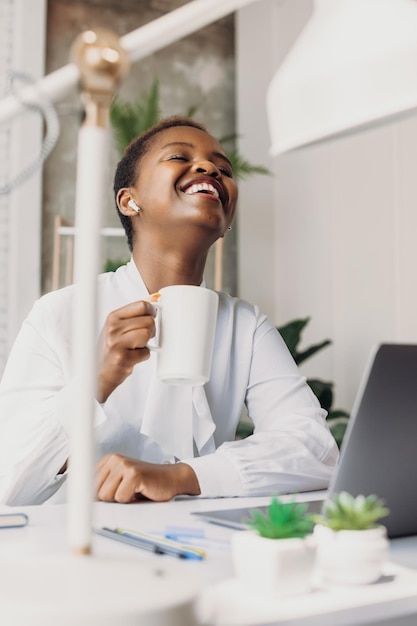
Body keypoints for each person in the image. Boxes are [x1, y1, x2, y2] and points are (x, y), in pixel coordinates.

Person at [0, 116, 338, 506]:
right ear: (129, 200)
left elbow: (317, 450)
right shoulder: (61, 314)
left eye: (223, 169)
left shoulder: (246, 327)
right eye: (179, 156)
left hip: (196, 550)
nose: (210, 168)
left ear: (227, 219)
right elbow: (8, 483)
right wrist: (95, 382)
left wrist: (180, 476)